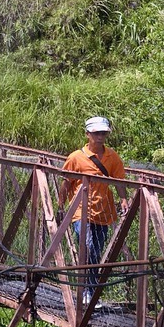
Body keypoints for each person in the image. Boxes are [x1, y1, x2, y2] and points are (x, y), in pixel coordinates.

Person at [62, 116, 126, 295]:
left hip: (104, 212)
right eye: (97, 133)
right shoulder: (75, 158)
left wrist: (124, 199)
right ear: (87, 134)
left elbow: (119, 180)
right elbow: (66, 183)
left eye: (103, 133)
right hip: (81, 211)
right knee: (87, 246)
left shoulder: (112, 157)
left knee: (96, 254)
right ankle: (84, 291)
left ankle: (90, 291)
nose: (100, 136)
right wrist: (60, 206)